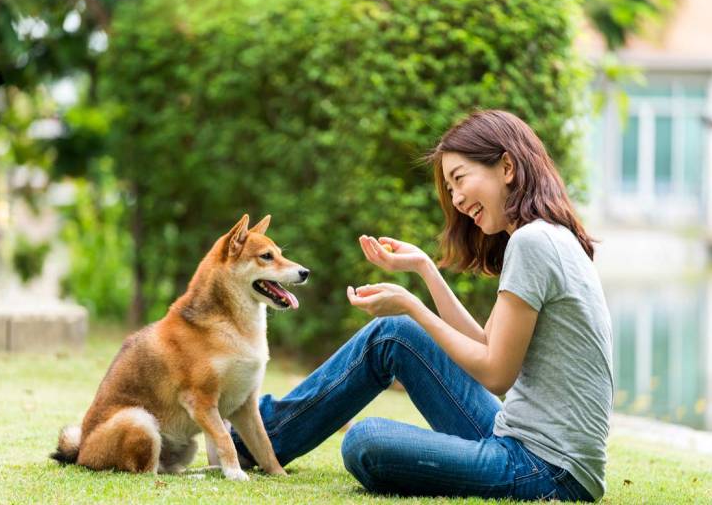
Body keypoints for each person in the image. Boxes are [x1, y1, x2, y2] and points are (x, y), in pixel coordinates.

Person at [231, 109, 613, 502]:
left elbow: (496, 374)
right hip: (524, 444)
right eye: (449, 188)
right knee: (392, 335)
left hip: (546, 469)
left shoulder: (532, 243)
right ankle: (255, 438)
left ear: (507, 167)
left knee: (366, 440)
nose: (457, 199)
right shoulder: (547, 236)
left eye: (460, 179)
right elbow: (485, 342)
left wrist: (412, 305)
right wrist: (425, 270)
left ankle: (252, 437)